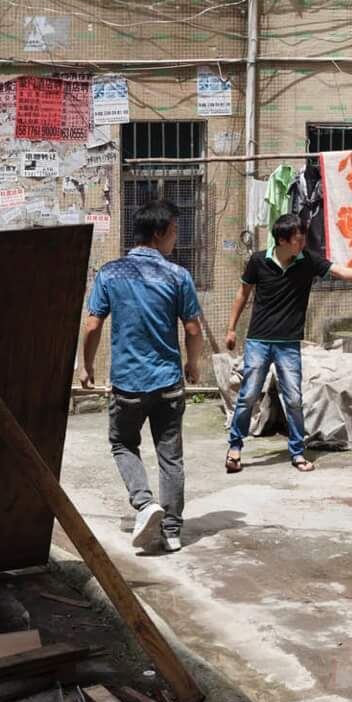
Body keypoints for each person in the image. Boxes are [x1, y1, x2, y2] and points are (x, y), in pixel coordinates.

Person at [79, 206, 216, 554]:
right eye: (174, 231)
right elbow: (193, 328)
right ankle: (171, 531)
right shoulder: (177, 276)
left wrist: (87, 366)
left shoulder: (110, 273)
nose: (176, 238)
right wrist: (193, 364)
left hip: (127, 383)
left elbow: (92, 324)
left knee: (124, 444)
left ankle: (144, 504)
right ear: (159, 233)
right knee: (171, 456)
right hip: (168, 382)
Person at [224, 214, 352, 474]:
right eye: (298, 239)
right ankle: (235, 448)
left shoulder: (307, 261)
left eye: (303, 238)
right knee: (248, 395)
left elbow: (341, 272)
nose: (303, 243)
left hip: (288, 344)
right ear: (283, 240)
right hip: (258, 341)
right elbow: (243, 292)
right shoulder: (258, 261)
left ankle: (297, 451)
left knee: (294, 398)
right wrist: (231, 328)